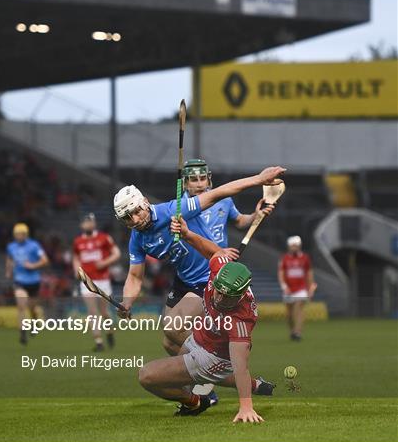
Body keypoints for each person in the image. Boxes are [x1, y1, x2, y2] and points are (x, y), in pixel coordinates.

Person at [114, 166, 286, 357]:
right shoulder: (137, 238)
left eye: (136, 211)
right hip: (183, 280)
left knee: (172, 327)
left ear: (145, 202)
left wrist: (259, 179)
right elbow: (135, 277)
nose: (135, 220)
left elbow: (218, 193)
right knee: (170, 344)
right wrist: (127, 302)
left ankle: (219, 358)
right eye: (127, 218)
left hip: (208, 277)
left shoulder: (174, 210)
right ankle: (203, 379)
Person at [138, 212, 275, 423]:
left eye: (226, 296)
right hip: (202, 335)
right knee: (170, 343)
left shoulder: (241, 321)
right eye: (217, 290)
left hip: (214, 358)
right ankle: (257, 385)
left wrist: (246, 407)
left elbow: (240, 366)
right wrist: (187, 234)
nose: (218, 297)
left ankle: (195, 402)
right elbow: (214, 252)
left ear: (239, 296)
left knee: (146, 375)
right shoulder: (219, 269)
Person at [182, 159, 265, 247]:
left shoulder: (223, 200)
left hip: (220, 259)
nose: (200, 184)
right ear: (185, 183)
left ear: (208, 178)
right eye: (194, 180)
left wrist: (255, 216)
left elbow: (240, 221)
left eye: (203, 178)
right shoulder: (178, 208)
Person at [72, 213, 121, 351]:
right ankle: (99, 341)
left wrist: (104, 262)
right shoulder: (78, 242)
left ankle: (110, 332)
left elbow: (116, 253)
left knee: (104, 312)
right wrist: (76, 269)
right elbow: (76, 257)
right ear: (81, 225)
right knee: (92, 312)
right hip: (86, 280)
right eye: (85, 222)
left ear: (94, 224)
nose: (88, 224)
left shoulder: (104, 238)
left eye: (90, 221)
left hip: (103, 280)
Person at [5, 223, 49, 345]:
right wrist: (8, 271)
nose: (18, 236)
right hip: (19, 280)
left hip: (34, 281)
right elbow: (9, 259)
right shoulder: (11, 247)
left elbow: (45, 260)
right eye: (17, 234)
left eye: (21, 234)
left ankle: (34, 322)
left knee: (32, 308)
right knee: (21, 306)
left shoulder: (34, 245)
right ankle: (23, 332)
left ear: (25, 234)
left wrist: (33, 266)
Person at [278, 235, 317, 341]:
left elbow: (309, 272)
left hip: (301, 288)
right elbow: (281, 273)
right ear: (289, 246)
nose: (294, 247)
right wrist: (284, 286)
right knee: (289, 314)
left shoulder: (305, 258)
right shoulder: (285, 258)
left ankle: (298, 332)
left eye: (296, 245)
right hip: (289, 289)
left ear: (299, 246)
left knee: (299, 308)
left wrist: (311, 286)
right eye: (292, 246)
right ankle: (292, 331)